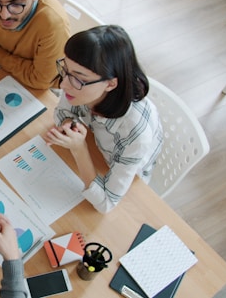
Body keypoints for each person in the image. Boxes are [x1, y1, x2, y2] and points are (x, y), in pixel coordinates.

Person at [44, 25, 164, 214]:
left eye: (78, 78)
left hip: (123, 173)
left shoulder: (135, 132)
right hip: (97, 149)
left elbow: (106, 203)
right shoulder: (80, 87)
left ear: (110, 84)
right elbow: (62, 112)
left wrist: (79, 148)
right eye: (65, 70)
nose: (64, 84)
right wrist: (69, 126)